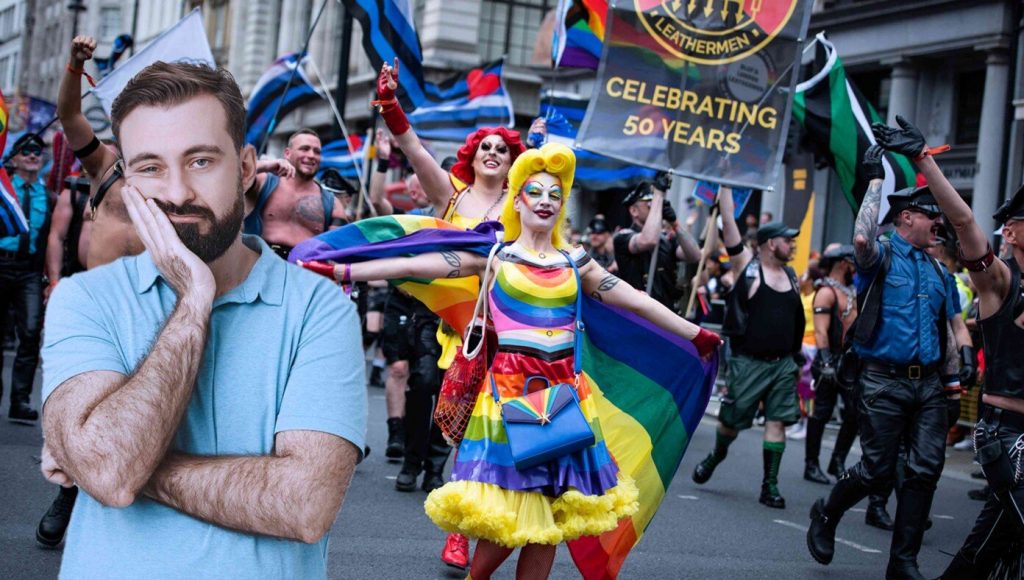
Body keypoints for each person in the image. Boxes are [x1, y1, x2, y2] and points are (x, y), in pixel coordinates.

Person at [299, 143, 720, 579]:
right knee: (510, 512)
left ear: (562, 207)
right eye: (535, 192)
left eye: (554, 195)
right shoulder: (496, 255)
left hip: (564, 398)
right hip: (507, 395)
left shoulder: (575, 262)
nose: (544, 201)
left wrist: (696, 334)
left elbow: (636, 300)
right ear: (518, 199)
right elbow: (427, 263)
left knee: (550, 521)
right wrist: (345, 271)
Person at [39, 61, 365, 578]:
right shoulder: (83, 298)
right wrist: (194, 302)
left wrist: (107, 460)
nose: (176, 193)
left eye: (200, 161)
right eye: (149, 167)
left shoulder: (320, 310)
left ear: (245, 167)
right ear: (126, 180)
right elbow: (109, 470)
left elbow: (305, 505)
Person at [373, 59, 537, 571]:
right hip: (458, 336)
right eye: (485, 147)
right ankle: (460, 531)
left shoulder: (525, 203)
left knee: (500, 436)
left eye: (503, 149)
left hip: (514, 334)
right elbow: (414, 149)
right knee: (464, 432)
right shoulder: (453, 194)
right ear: (473, 156)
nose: (492, 152)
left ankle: (487, 525)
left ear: (515, 160)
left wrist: (546, 153)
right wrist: (390, 106)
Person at [868, 116, 1024, 578]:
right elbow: (963, 220)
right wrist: (921, 159)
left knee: (997, 540)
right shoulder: (999, 281)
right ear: (1011, 233)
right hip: (1006, 436)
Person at [807, 144, 961, 580]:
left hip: (928, 384)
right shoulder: (881, 255)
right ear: (906, 217)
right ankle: (826, 513)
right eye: (932, 214)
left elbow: (945, 331)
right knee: (877, 471)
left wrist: (953, 381)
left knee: (925, 471)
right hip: (881, 380)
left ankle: (903, 562)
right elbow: (860, 238)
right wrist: (875, 178)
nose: (939, 223)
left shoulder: (939, 272)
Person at [692, 188, 805, 509]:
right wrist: (727, 182)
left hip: (783, 364)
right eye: (788, 240)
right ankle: (716, 457)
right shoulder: (748, 266)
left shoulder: (792, 275)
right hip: (748, 363)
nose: (793, 244)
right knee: (732, 422)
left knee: (777, 421)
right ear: (771, 244)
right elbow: (729, 222)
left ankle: (770, 486)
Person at [1, 132, 50, 424]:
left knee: (31, 334)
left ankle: (20, 400)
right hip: (1, 263)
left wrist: (51, 278)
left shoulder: (50, 195)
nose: (33, 155)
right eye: (27, 151)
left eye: (37, 151)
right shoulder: (3, 190)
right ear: (15, 158)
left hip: (30, 271)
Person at [244, 127, 347, 258]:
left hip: (302, 271)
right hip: (258, 265)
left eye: (317, 152)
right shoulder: (263, 182)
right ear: (287, 153)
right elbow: (232, 174)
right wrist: (267, 165)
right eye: (304, 149)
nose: (311, 155)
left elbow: (336, 252)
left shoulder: (333, 205)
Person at [614, 176, 701, 309]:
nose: (655, 206)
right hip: (638, 313)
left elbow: (695, 256)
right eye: (649, 203)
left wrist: (675, 224)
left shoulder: (666, 240)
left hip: (666, 310)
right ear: (634, 210)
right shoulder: (623, 237)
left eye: (654, 203)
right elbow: (648, 240)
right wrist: (658, 195)